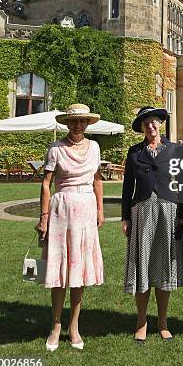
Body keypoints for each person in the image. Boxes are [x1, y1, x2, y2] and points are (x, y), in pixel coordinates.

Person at [121, 106, 183, 343]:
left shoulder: (175, 150)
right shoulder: (134, 153)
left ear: (160, 124)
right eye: (146, 123)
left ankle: (162, 322)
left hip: (168, 211)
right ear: (141, 128)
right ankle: (141, 321)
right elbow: (126, 188)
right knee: (142, 266)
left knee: (164, 267)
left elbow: (182, 183)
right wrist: (125, 217)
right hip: (141, 210)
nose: (150, 126)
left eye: (154, 122)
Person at [37, 104, 104, 352]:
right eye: (74, 121)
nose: (78, 126)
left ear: (87, 124)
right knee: (58, 270)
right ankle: (55, 325)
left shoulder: (95, 147)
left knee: (80, 271)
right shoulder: (56, 148)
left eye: (82, 122)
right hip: (61, 210)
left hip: (86, 210)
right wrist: (44, 216)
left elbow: (97, 179)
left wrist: (100, 210)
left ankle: (74, 326)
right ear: (67, 123)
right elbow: (46, 184)